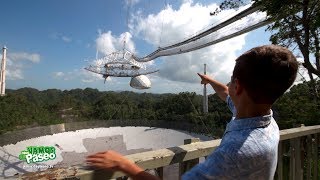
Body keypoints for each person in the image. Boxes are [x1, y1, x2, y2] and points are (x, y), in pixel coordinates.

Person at [86, 45, 298, 179]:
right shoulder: (266, 122)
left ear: (239, 86)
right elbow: (227, 94)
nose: (228, 84)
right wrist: (210, 80)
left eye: (232, 80)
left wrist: (124, 164)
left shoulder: (235, 153)